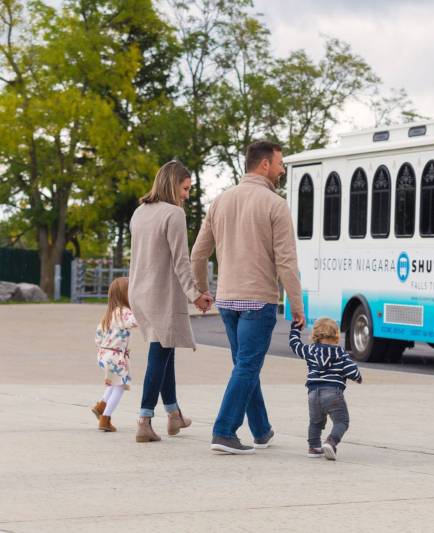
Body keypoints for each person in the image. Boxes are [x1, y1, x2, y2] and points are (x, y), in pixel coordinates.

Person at [191, 140, 305, 455]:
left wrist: (202, 290)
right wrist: (297, 305)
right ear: (265, 165)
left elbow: (198, 254)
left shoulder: (220, 201)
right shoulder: (275, 204)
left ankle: (261, 429)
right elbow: (286, 261)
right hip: (258, 299)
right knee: (247, 366)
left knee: (244, 365)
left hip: (227, 300)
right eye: (280, 163)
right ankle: (224, 431)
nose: (282, 169)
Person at [129, 160, 213, 443]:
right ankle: (144, 419)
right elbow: (181, 261)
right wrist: (196, 294)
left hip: (139, 291)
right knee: (160, 352)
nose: (187, 195)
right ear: (173, 184)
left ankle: (174, 414)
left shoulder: (140, 212)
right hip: (161, 292)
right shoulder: (174, 214)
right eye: (185, 188)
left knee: (166, 349)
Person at [289, 318, 362, 460]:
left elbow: (295, 345)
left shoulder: (310, 350)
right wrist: (358, 377)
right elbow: (352, 371)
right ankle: (331, 442)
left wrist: (295, 329)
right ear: (336, 335)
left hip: (313, 394)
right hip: (332, 393)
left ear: (315, 335)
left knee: (315, 422)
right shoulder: (340, 354)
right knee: (341, 422)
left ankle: (314, 447)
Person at [91, 277, 137, 432]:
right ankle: (105, 418)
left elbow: (98, 337)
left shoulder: (108, 314)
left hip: (104, 354)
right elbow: (135, 321)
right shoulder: (124, 312)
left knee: (113, 382)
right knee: (120, 387)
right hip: (115, 356)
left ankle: (101, 406)